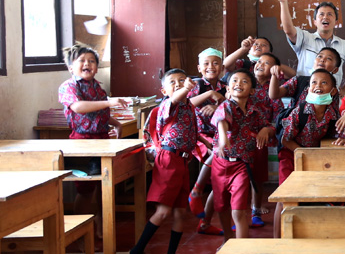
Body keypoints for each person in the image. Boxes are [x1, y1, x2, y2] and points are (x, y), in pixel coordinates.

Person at [58, 43, 127, 239]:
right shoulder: (68, 86)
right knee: (86, 189)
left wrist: (116, 123)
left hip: (102, 139)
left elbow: (98, 111)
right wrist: (108, 102)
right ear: (71, 67)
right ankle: (81, 235)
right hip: (82, 141)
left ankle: (97, 230)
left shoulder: (97, 86)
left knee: (100, 187)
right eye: (82, 61)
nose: (87, 64)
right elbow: (79, 107)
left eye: (92, 61)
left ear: (97, 66)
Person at [131, 69, 197, 254]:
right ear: (163, 90)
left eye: (182, 80)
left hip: (183, 161)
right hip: (169, 160)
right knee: (163, 211)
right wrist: (185, 88)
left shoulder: (189, 106)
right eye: (173, 82)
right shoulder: (167, 105)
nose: (178, 84)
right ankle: (137, 250)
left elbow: (192, 132)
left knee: (180, 213)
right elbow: (175, 99)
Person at [273, 68, 339, 238]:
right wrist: (305, 154)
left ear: (333, 91)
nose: (318, 86)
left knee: (310, 197)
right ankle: (277, 241)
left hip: (313, 161)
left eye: (324, 82)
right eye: (314, 83)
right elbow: (285, 140)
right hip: (290, 156)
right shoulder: (300, 111)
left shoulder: (333, 113)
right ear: (308, 89)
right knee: (285, 198)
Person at [210, 69, 270, 243]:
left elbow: (268, 126)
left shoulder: (255, 111)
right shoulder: (226, 105)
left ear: (252, 91)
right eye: (234, 81)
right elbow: (221, 121)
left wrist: (266, 129)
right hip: (221, 164)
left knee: (238, 211)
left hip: (242, 165)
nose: (239, 84)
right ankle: (227, 239)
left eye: (244, 81)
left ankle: (241, 248)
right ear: (228, 89)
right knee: (221, 207)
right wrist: (222, 138)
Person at [273, 0, 345, 94]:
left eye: (330, 14)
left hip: (331, 98)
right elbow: (288, 30)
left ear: (336, 21)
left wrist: (344, 89)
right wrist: (283, 2)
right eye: (321, 14)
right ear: (315, 21)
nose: (325, 17)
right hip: (305, 96)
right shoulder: (305, 37)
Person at [187, 48, 227, 236]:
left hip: (219, 134)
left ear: (222, 67)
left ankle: (205, 223)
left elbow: (231, 105)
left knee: (219, 180)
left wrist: (217, 104)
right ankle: (196, 190)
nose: (211, 67)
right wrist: (209, 95)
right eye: (206, 64)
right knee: (217, 152)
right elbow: (184, 105)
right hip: (198, 136)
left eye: (215, 63)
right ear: (199, 68)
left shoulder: (225, 86)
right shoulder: (195, 85)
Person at [247, 52, 284, 226]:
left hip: (259, 137)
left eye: (267, 62)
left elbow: (279, 118)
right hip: (238, 135)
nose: (261, 64)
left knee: (257, 177)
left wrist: (267, 129)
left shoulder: (272, 88)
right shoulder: (244, 80)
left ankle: (256, 210)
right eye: (259, 61)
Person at [269, 47, 342, 112]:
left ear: (335, 70)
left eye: (329, 58)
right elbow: (274, 95)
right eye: (320, 56)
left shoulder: (333, 90)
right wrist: (274, 75)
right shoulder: (299, 80)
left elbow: (333, 116)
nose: (322, 60)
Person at [223, 36, 295, 79]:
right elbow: (226, 65)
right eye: (255, 44)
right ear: (249, 51)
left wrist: (270, 62)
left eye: (264, 45)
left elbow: (293, 75)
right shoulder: (243, 64)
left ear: (270, 53)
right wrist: (243, 49)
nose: (258, 46)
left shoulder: (273, 67)